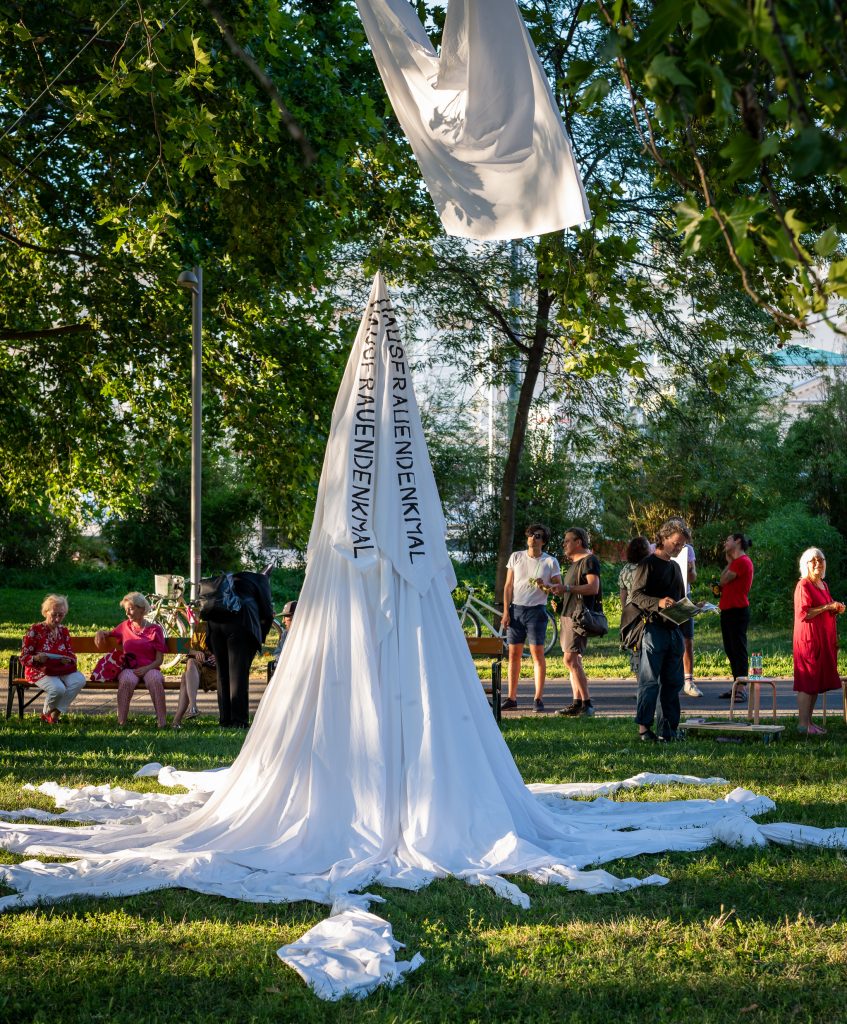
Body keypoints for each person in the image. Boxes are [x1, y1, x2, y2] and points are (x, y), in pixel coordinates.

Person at [629, 519, 689, 742]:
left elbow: (681, 599)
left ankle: (669, 730)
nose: (679, 548)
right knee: (650, 681)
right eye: (676, 543)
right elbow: (635, 595)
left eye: (682, 545)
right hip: (653, 629)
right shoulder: (648, 563)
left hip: (674, 631)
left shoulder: (675, 567)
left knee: (673, 683)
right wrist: (659, 603)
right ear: (663, 539)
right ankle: (644, 729)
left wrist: (692, 609)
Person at [501, 524, 562, 713]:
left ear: (543, 540)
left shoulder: (550, 562)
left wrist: (545, 585)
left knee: (537, 654)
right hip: (516, 610)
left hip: (537, 612)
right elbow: (508, 586)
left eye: (537, 536)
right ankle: (511, 698)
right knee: (513, 655)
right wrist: (506, 612)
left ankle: (538, 698)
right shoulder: (516, 557)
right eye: (529, 535)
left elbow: (558, 589)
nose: (532, 538)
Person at [206, 570, 275, 728]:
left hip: (215, 624)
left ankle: (225, 720)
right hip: (240, 625)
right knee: (238, 675)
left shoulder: (230, 579)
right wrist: (260, 636)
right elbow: (268, 613)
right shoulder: (261, 580)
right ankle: (239, 721)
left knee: (223, 674)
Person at [792, 547, 845, 735]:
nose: (818, 563)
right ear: (805, 564)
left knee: (815, 680)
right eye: (813, 560)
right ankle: (802, 724)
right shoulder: (803, 585)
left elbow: (825, 608)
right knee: (807, 679)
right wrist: (827, 607)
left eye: (821, 559)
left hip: (823, 639)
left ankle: (809, 723)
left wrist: (834, 608)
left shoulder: (823, 584)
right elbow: (805, 612)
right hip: (808, 639)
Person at [95, 592, 168, 728]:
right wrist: (100, 632)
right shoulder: (125, 626)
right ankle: (121, 721)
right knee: (126, 680)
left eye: (131, 608)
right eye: (126, 609)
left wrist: (146, 668)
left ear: (142, 608)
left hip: (150, 668)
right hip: (129, 668)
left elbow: (159, 660)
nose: (128, 613)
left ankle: (162, 722)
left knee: (154, 680)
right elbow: (109, 633)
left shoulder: (155, 630)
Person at [554, 527, 601, 718]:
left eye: (567, 540)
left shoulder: (589, 560)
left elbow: (593, 587)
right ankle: (577, 702)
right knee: (573, 660)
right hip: (568, 614)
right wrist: (557, 594)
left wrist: (566, 587)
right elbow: (572, 590)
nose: (564, 544)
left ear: (578, 542)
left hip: (578, 616)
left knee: (571, 659)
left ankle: (587, 704)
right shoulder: (575, 563)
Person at [19, 594, 87, 724]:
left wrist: (68, 659)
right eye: (54, 614)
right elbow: (24, 657)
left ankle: (53, 714)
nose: (57, 619)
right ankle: (47, 715)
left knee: (79, 680)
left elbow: (71, 655)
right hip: (40, 669)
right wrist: (37, 658)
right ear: (45, 612)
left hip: (60, 668)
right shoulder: (35, 630)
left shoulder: (64, 631)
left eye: (60, 615)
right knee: (58, 689)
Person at [718, 533, 754, 703]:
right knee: (730, 648)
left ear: (738, 541)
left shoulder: (742, 562)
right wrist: (729, 562)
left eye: (728, 539)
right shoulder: (735, 562)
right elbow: (722, 580)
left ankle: (742, 687)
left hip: (737, 611)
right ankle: (736, 684)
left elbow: (723, 580)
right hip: (728, 610)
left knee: (738, 648)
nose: (725, 542)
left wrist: (730, 562)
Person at [672, 527, 701, 698]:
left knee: (687, 639)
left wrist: (690, 569)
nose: (681, 544)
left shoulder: (688, 550)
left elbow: (693, 578)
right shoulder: (655, 548)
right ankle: (666, 680)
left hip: (684, 596)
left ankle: (688, 681)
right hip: (666, 597)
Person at [618, 536, 651, 677]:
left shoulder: (625, 569)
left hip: (631, 613)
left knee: (635, 647)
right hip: (648, 610)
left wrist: (624, 611)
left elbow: (623, 593)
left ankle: (639, 686)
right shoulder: (649, 566)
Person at [172, 626, 217, 729]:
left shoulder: (226, 625)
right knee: (191, 661)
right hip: (198, 669)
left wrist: (219, 656)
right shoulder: (201, 627)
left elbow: (234, 649)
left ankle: (177, 720)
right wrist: (196, 653)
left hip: (216, 671)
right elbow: (190, 649)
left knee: (185, 678)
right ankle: (192, 706)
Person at [267, 600, 297, 681]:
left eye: (287, 616)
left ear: (297, 617)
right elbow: (278, 653)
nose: (283, 621)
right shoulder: (285, 634)